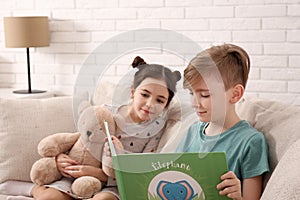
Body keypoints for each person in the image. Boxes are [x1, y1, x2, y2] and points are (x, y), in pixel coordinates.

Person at [29, 56, 181, 200]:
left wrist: (101, 173)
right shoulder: (106, 112)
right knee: (49, 197)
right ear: (133, 92)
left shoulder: (155, 132)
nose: (150, 104)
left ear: (166, 106)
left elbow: (142, 170)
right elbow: (82, 138)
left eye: (160, 100)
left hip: (112, 184)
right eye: (145, 95)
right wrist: (61, 158)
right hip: (77, 174)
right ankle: (32, 189)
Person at [176, 44, 269, 200]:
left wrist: (238, 196)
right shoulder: (193, 132)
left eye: (205, 95)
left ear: (235, 94)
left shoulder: (251, 142)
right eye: (192, 93)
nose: (194, 103)